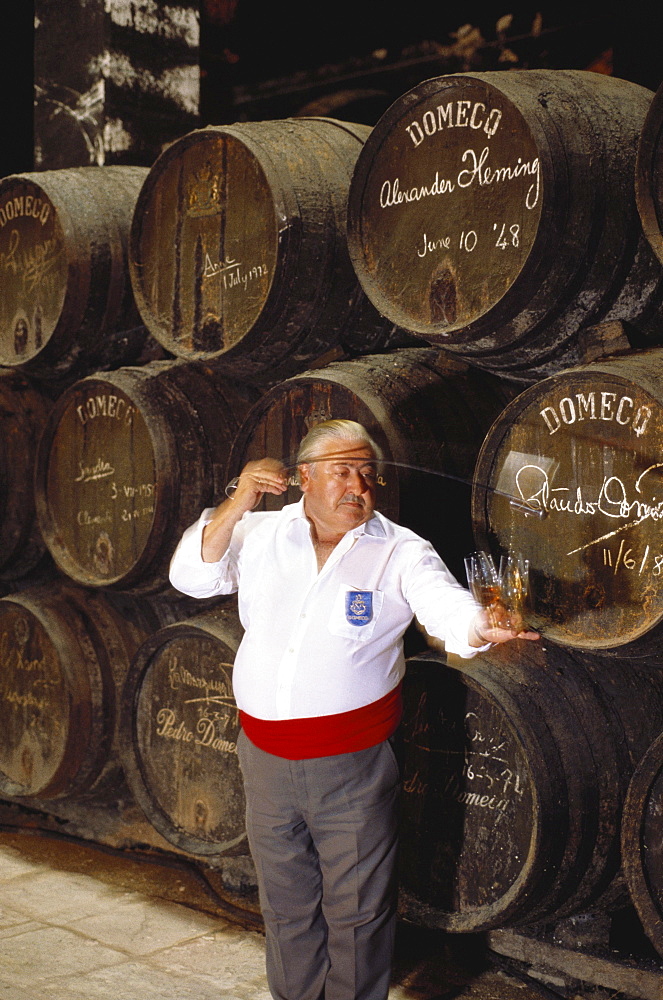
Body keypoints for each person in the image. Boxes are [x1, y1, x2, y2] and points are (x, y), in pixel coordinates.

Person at [169, 419, 538, 1000]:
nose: (358, 487)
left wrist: (478, 624)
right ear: (304, 478)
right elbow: (191, 575)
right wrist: (239, 497)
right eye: (343, 472)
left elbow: (444, 606)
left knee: (358, 913)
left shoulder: (399, 549)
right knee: (286, 906)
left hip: (353, 766)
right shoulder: (260, 533)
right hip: (263, 757)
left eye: (368, 475)